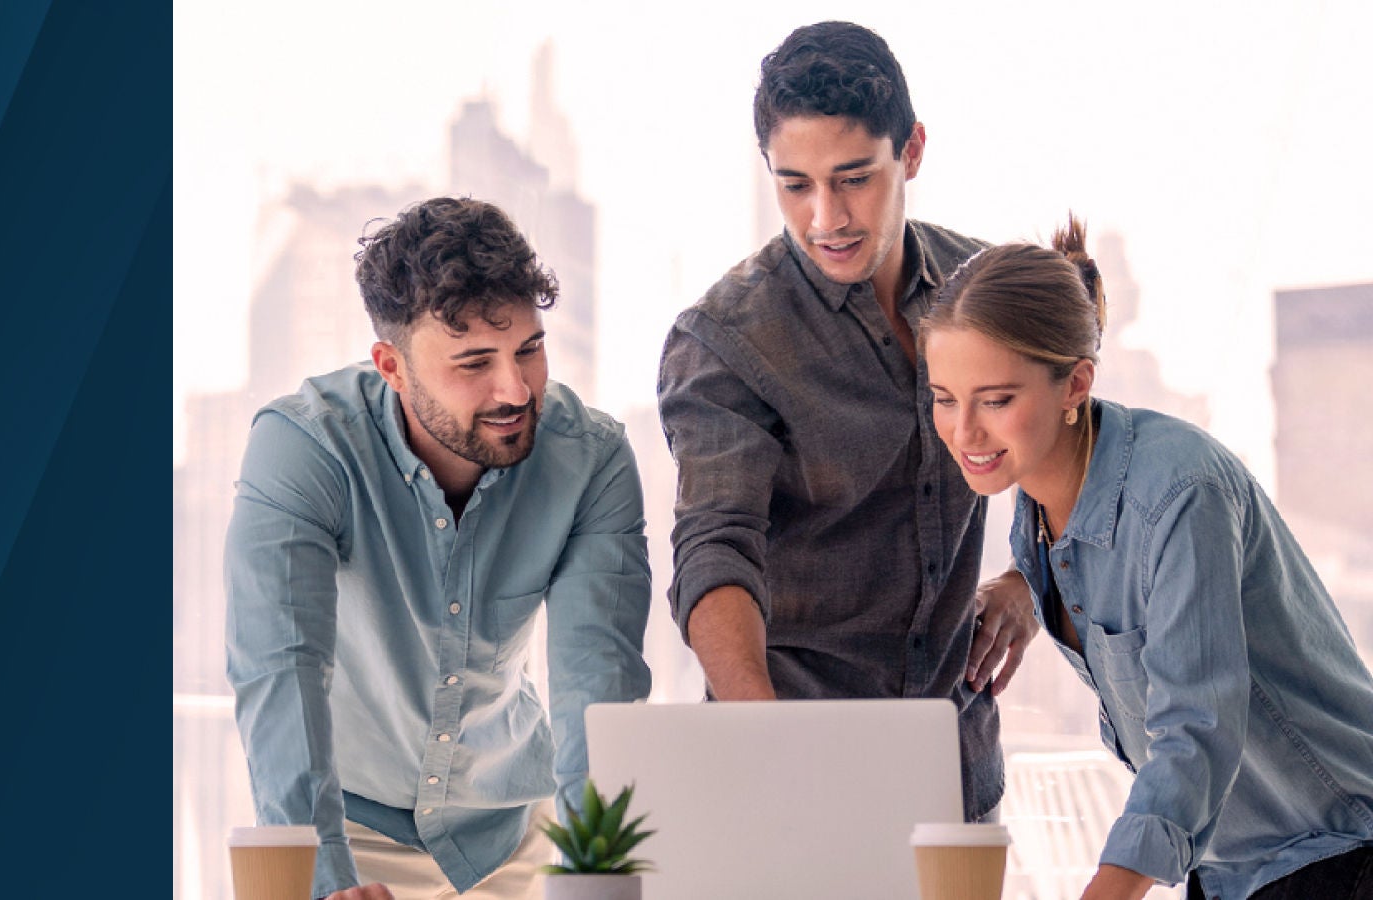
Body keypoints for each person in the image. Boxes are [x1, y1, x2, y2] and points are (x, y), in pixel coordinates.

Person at [920, 214, 1373, 899]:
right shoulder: (1037, 498)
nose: (964, 432)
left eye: (996, 400)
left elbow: (1196, 729)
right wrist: (1023, 583)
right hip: (1227, 870)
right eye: (945, 399)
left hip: (1333, 852)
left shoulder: (1181, 490)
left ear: (1075, 385)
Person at [656, 20, 1037, 822]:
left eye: (854, 177)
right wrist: (772, 745)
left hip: (956, 769)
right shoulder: (727, 340)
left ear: (914, 151)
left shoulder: (990, 292)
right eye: (794, 184)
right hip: (788, 766)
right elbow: (715, 547)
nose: (825, 216)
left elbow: (1075, 447)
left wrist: (1028, 578)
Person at [226, 197, 653, 900]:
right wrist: (326, 883)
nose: (515, 389)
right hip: (348, 831)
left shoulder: (592, 460)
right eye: (474, 363)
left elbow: (595, 687)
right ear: (392, 366)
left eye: (529, 350)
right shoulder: (304, 448)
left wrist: (594, 873)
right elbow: (281, 673)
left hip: (512, 830)